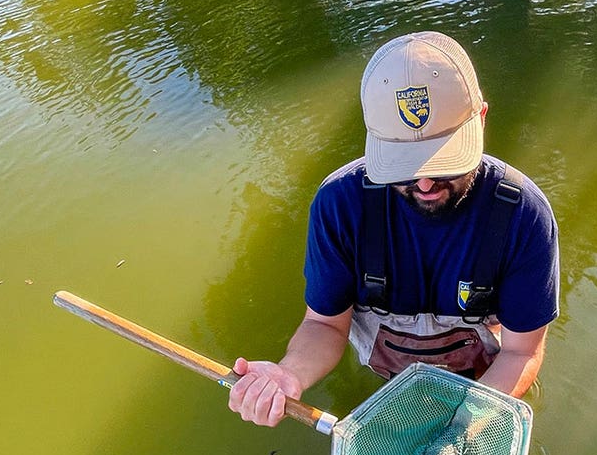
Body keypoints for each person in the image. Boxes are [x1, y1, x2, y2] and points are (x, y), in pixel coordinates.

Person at [229, 30, 559, 427]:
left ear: (481, 120)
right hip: (383, 374)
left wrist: (466, 424)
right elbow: (324, 325)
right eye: (403, 164)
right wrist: (290, 373)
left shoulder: (523, 215)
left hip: (485, 378)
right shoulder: (340, 205)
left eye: (443, 162)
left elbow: (521, 353)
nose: (423, 184)